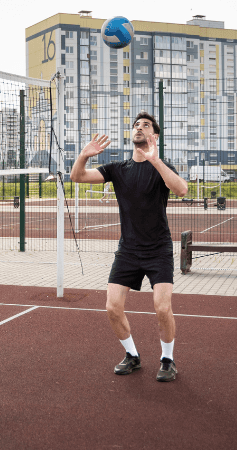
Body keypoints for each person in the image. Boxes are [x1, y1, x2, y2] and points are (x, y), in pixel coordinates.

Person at [70, 111, 188, 382]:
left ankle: (167, 360)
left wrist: (156, 161)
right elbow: (77, 177)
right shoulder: (118, 169)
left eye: (145, 125)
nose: (139, 128)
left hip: (158, 248)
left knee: (161, 308)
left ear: (153, 136)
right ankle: (132, 356)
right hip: (128, 250)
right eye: (136, 125)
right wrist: (85, 155)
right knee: (112, 308)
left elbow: (182, 190)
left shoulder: (161, 167)